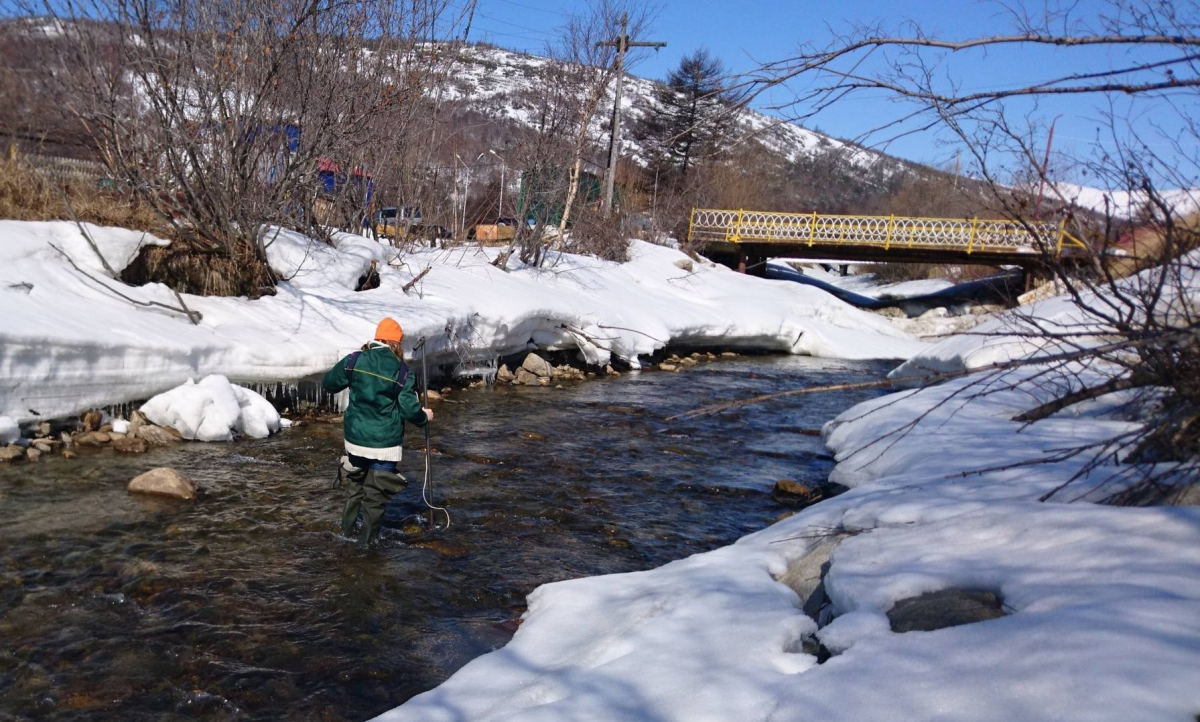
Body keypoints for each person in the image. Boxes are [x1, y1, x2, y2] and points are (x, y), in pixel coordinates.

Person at [322, 317, 433, 546]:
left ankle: (345, 535)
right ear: (396, 344)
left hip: (355, 440)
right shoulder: (403, 373)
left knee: (355, 490)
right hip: (385, 446)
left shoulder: (354, 361)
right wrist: (425, 417)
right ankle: (366, 548)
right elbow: (410, 410)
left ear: (377, 338)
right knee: (375, 500)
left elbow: (329, 384)